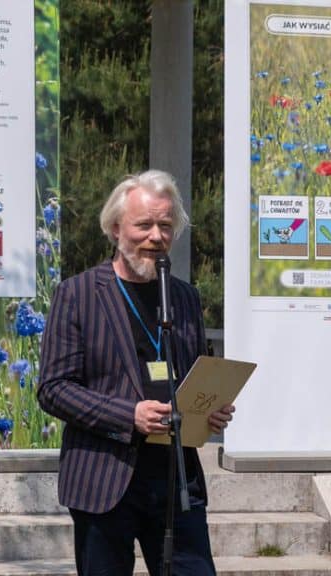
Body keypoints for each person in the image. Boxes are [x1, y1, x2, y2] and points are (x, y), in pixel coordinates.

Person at [37, 169, 235, 576]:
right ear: (115, 229)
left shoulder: (184, 296)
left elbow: (192, 373)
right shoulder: (77, 294)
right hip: (104, 479)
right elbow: (54, 389)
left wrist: (207, 410)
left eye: (165, 226)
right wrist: (129, 415)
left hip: (176, 479)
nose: (156, 237)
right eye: (143, 225)